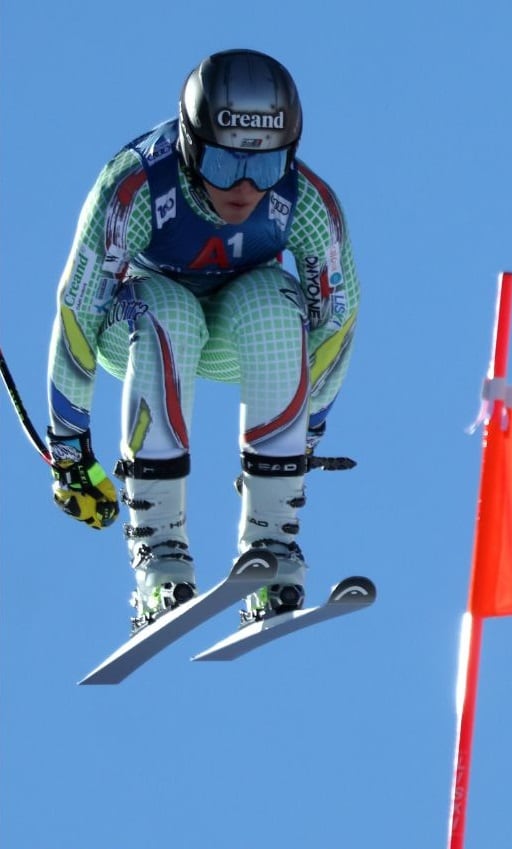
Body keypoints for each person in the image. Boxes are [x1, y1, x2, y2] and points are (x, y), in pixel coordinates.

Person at [45, 48, 360, 630]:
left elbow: (335, 322)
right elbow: (78, 315)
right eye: (222, 165)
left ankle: (273, 549)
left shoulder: (306, 201)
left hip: (240, 333)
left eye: (265, 168)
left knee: (275, 305)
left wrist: (307, 431)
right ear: (191, 145)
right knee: (169, 313)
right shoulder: (135, 186)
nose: (243, 189)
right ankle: (158, 555)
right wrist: (69, 451)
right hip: (142, 325)